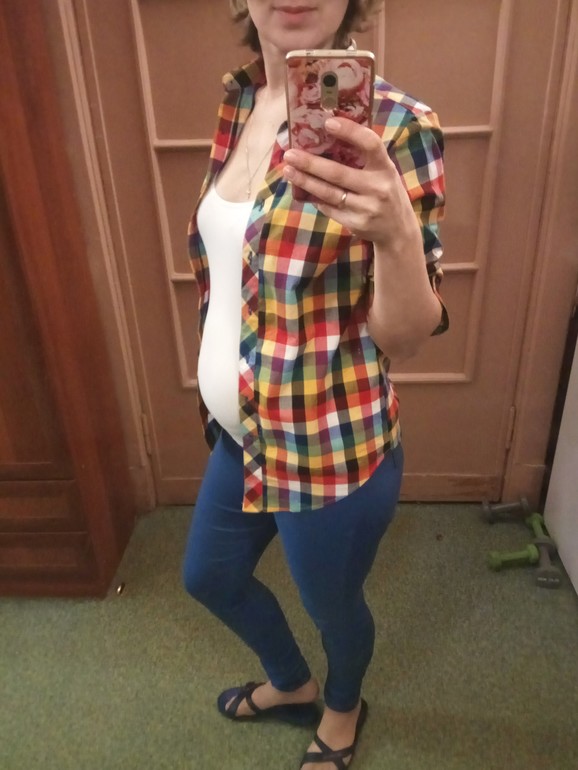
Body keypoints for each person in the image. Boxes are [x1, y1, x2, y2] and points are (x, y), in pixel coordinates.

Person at [183, 1, 448, 767]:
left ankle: (341, 707)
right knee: (208, 577)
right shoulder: (242, 101)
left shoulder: (397, 127)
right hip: (243, 432)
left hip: (331, 451)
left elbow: (405, 337)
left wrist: (395, 234)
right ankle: (292, 684)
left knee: (333, 608)